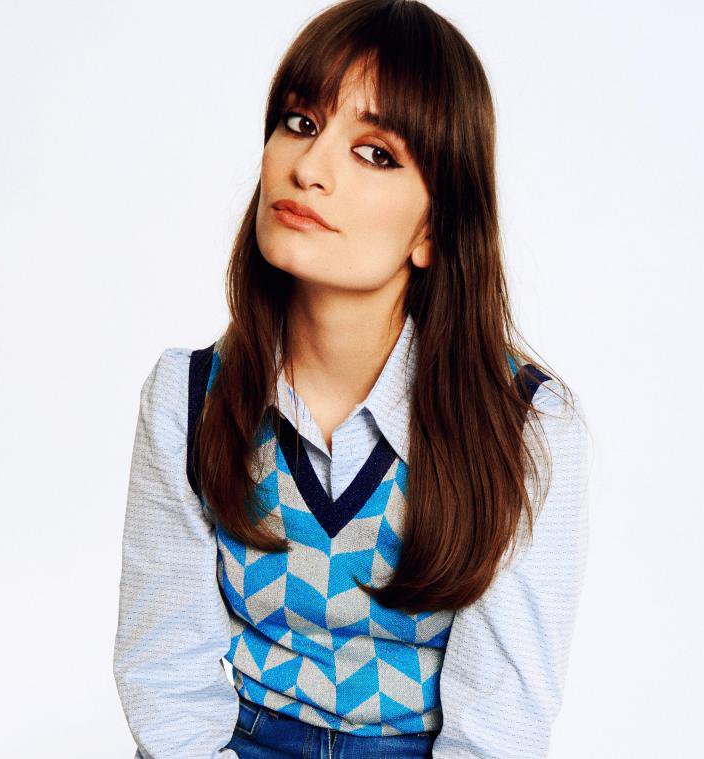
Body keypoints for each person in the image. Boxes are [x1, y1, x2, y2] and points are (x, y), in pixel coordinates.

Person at [113, 1, 592, 756]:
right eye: (300, 122)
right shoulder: (189, 398)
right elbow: (166, 680)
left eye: (374, 153)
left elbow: (497, 726)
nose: (308, 168)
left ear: (434, 228)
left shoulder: (524, 425)